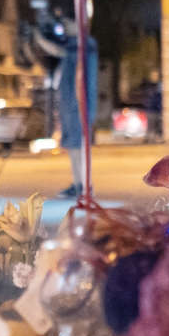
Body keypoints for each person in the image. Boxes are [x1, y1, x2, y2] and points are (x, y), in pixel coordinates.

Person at [57, 16, 97, 199]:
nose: (65, 26)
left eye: (68, 22)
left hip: (79, 105)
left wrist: (40, 40)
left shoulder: (84, 45)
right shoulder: (73, 45)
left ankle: (85, 185)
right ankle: (78, 184)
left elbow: (61, 52)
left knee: (80, 147)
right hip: (70, 104)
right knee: (74, 147)